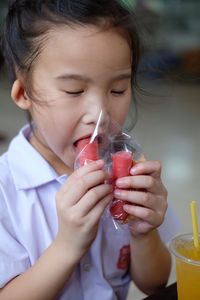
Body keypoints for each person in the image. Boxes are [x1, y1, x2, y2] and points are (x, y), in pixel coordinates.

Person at [0, 1, 179, 299]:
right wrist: (67, 246)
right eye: (74, 90)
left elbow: (154, 284)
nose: (100, 114)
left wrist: (143, 231)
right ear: (24, 93)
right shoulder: (5, 192)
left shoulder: (127, 172)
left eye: (118, 90)